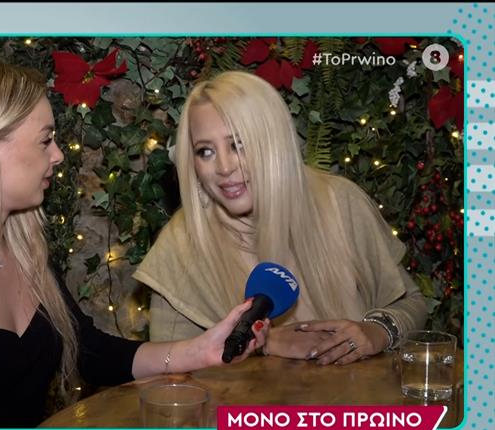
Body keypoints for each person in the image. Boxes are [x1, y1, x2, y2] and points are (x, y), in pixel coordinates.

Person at [0, 58, 267, 428]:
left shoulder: (23, 250)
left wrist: (201, 350)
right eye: (45, 140)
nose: (59, 155)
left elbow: (90, 350)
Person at [134, 71, 426, 366]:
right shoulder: (180, 247)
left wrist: (377, 331)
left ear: (274, 142)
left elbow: (411, 303)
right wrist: (261, 344)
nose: (223, 167)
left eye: (239, 144)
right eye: (205, 151)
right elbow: (171, 377)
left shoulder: (340, 203)